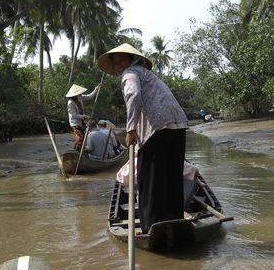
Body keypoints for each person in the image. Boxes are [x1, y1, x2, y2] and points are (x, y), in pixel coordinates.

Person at [98, 43, 188, 234]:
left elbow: (133, 95)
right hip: (178, 124)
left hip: (156, 128)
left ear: (131, 59)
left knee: (149, 178)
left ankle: (150, 226)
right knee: (172, 175)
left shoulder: (130, 73)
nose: (118, 64)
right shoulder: (148, 75)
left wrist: (130, 129)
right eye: (115, 61)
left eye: (121, 59)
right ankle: (175, 219)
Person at [66, 83, 99, 150]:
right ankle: (77, 151)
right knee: (80, 138)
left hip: (82, 121)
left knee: (84, 138)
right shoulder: (71, 102)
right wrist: (84, 116)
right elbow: (74, 115)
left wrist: (96, 89)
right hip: (75, 123)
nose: (80, 94)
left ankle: (80, 150)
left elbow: (90, 96)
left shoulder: (79, 97)